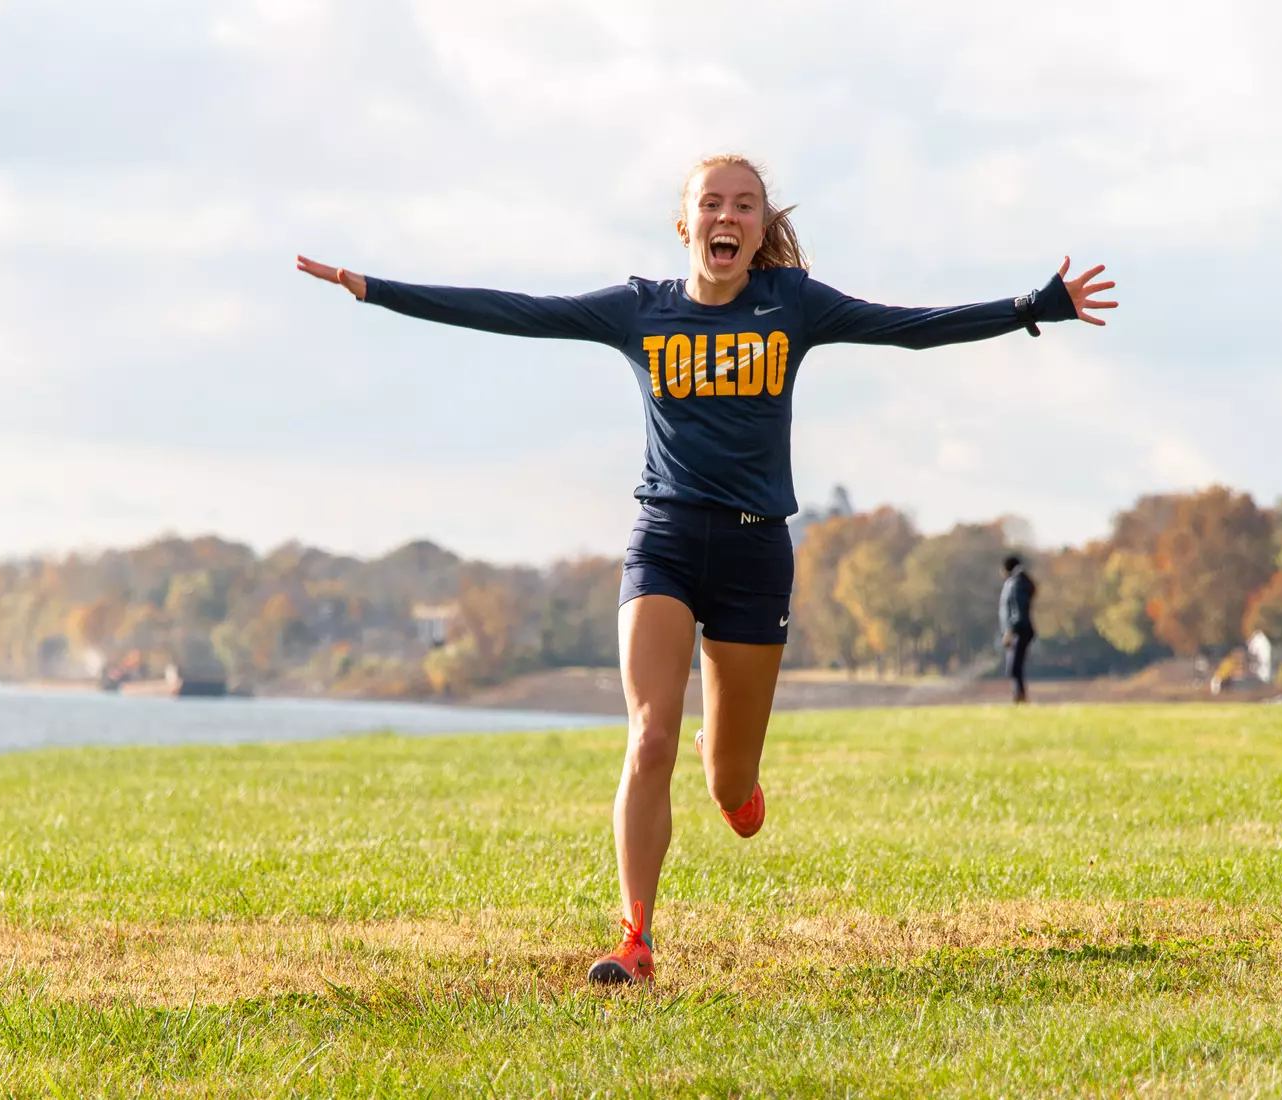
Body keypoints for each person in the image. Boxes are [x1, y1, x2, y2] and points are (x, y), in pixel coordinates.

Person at [297, 154, 1116, 984]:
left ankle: (730, 779)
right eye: (711, 204)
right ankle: (635, 938)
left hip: (757, 551)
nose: (727, 216)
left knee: (733, 786)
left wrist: (1031, 307)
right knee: (649, 737)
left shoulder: (791, 303)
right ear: (685, 224)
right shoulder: (640, 310)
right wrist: (377, 287)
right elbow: (517, 311)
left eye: (745, 205)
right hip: (665, 539)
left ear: (759, 228)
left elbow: (909, 325)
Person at [1000, 555, 1038, 704]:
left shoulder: (1016, 584)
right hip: (1019, 630)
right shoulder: (1017, 582)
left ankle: (1020, 698)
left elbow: (1018, 611)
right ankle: (1019, 697)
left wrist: (1010, 631)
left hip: (1019, 631)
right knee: (1014, 667)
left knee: (1014, 667)